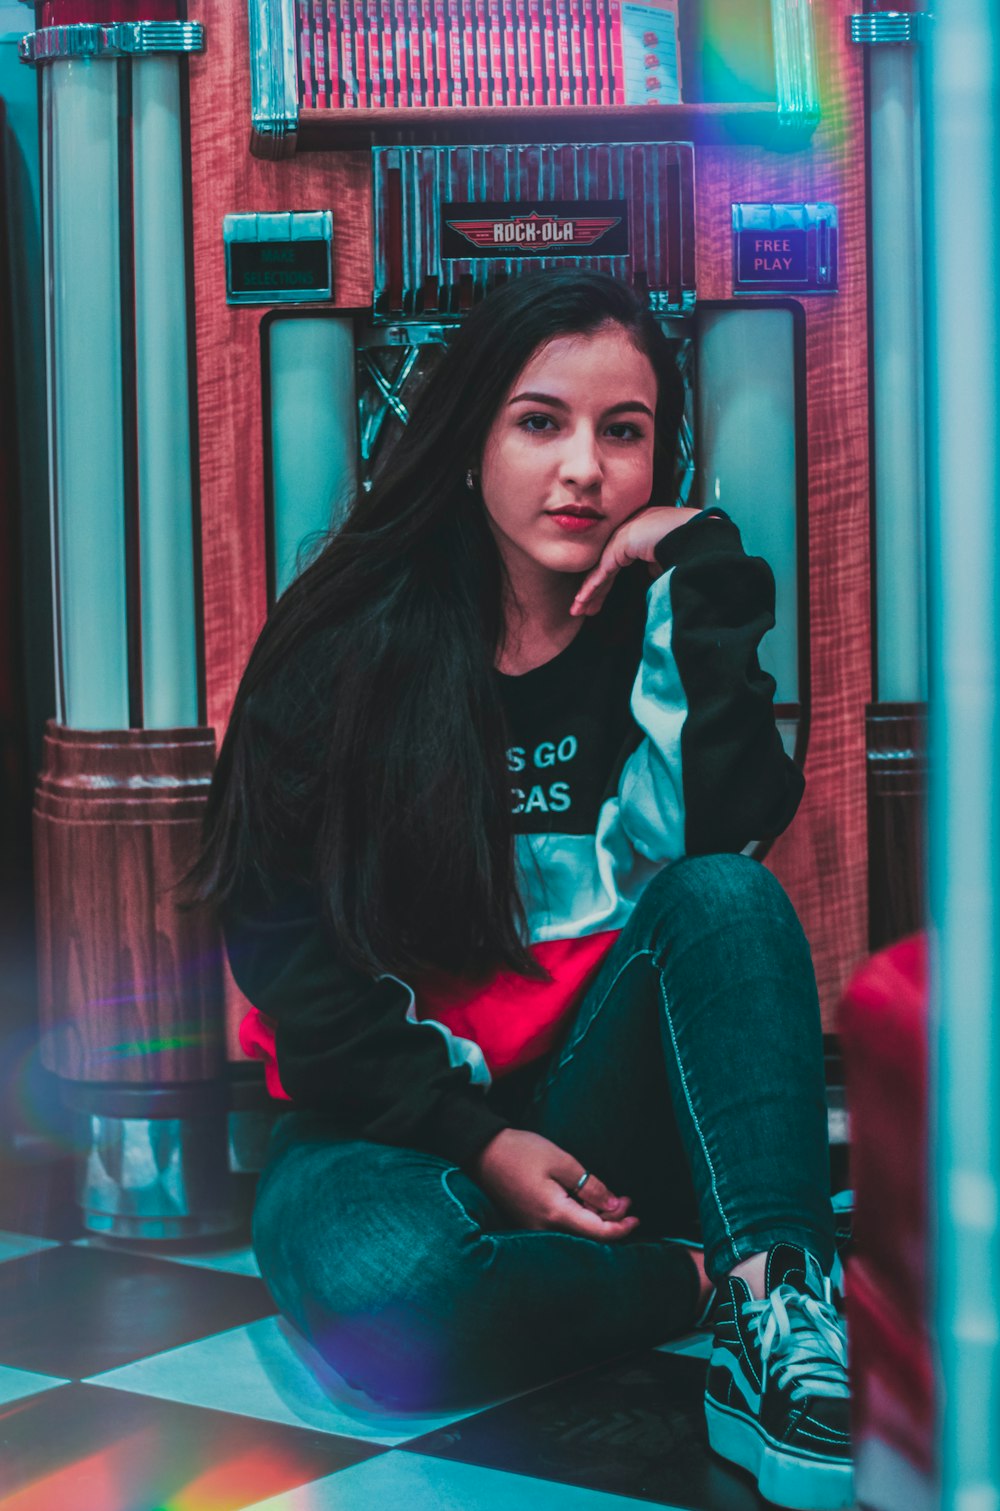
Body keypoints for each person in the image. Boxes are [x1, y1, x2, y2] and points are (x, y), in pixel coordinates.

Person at [183, 269, 852, 1511]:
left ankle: (781, 1321)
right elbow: (282, 951)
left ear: (664, 447)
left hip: (608, 1097)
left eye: (624, 429)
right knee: (396, 1291)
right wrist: (481, 1143)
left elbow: (734, 831)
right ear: (472, 436)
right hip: (393, 1123)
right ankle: (712, 1270)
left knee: (720, 894)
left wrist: (701, 571)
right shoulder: (344, 642)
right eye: (540, 421)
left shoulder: (659, 613)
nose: (584, 470)